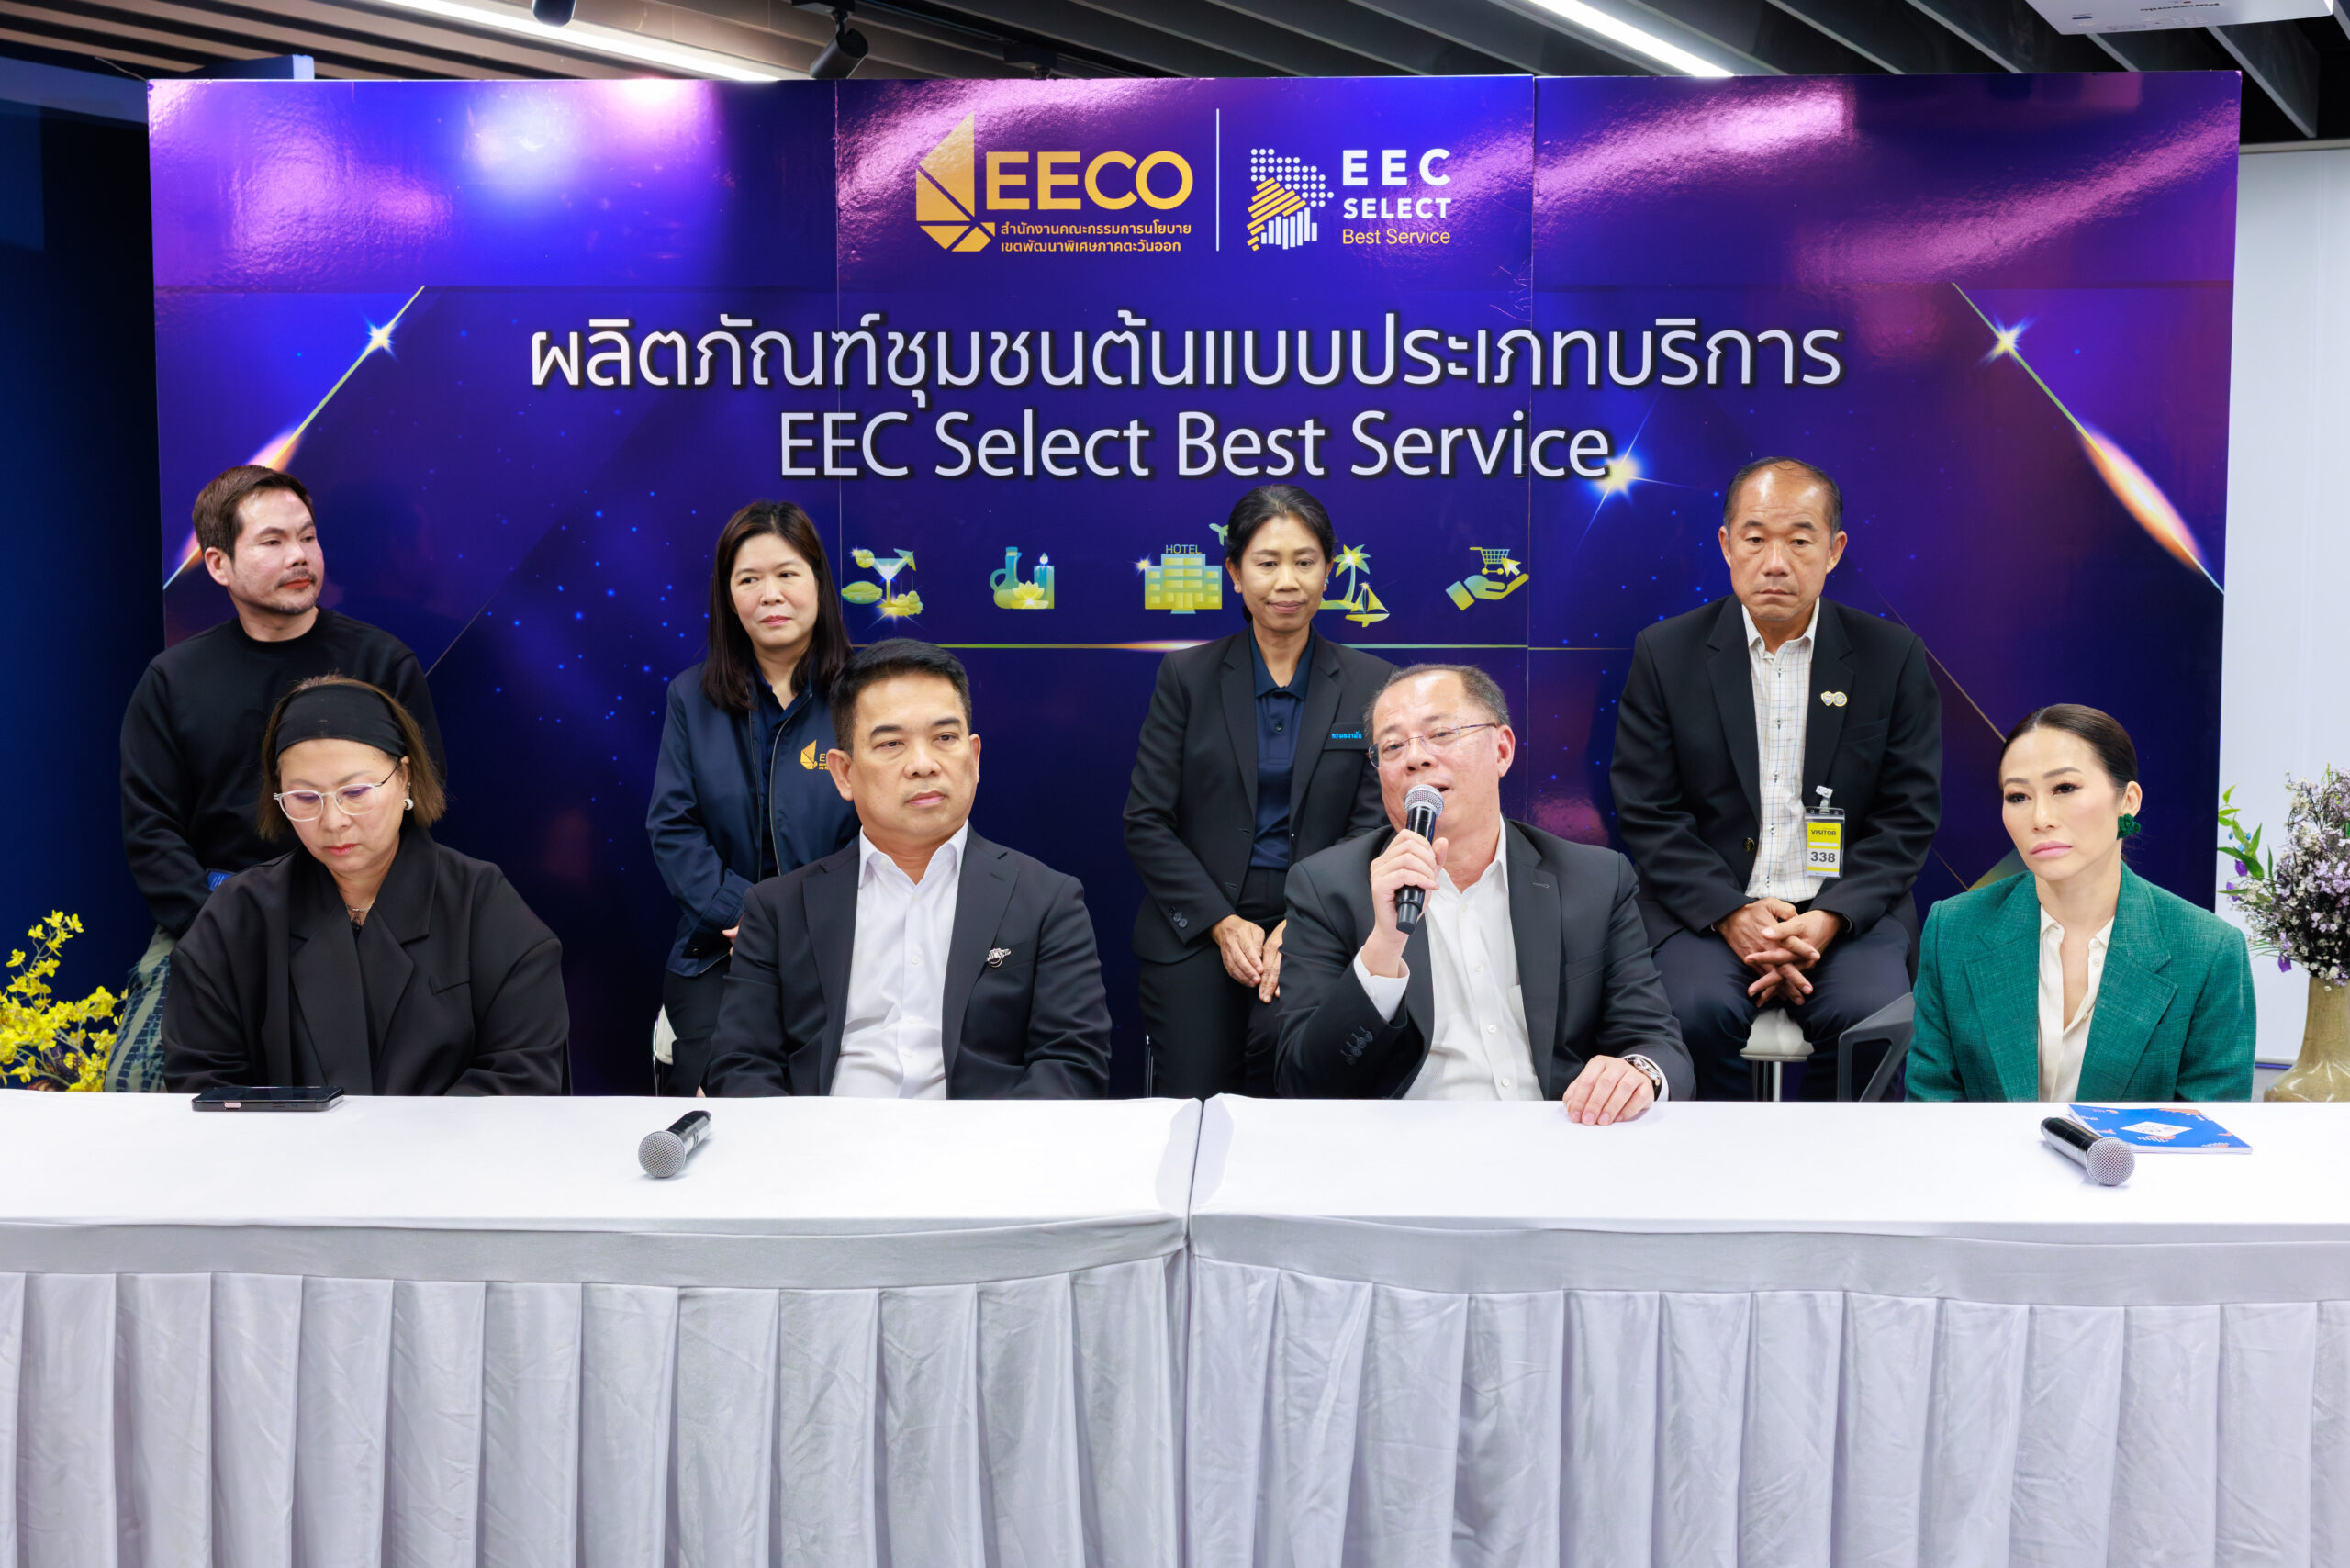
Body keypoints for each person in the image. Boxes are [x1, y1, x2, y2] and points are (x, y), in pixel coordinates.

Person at [1610, 456, 1940, 1100]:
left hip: (1847, 911)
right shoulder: (1666, 653)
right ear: (1726, 545)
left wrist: (1829, 918)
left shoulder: (1891, 656)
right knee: (1691, 1013)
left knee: (1870, 1017)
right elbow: (1648, 812)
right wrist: (1731, 913)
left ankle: (1841, 1167)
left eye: (1800, 540)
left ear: (1834, 550)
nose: (1776, 562)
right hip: (1708, 913)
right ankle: (1716, 1165)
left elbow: (1908, 816)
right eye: (1756, 539)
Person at [116, 465, 445, 1091]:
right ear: (219, 564)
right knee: (136, 1092)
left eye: (308, 537)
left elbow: (419, 809)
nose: (299, 556)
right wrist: (222, 929)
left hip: (360, 910)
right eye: (273, 541)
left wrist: (354, 921)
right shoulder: (172, 680)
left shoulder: (381, 661)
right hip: (213, 913)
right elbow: (152, 833)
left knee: (392, 1094)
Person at [1275, 664, 1693, 1118]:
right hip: (1407, 1142)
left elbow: (1656, 1043)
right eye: (1393, 746)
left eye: (1441, 734)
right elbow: (1303, 1083)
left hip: (1557, 1132)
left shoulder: (1594, 879)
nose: (1415, 758)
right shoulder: (1326, 888)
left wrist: (1636, 1074)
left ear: (1502, 750)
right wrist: (1384, 947)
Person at [706, 640, 1111, 1098]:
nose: (923, 765)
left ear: (974, 758)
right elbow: (740, 1067)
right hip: (824, 1138)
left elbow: (1072, 1065)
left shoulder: (1047, 901)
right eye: (891, 743)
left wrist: (978, 1144)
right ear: (843, 773)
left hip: (983, 1140)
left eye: (944, 738)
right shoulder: (778, 910)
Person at [162, 677, 567, 1096]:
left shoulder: (482, 905)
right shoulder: (237, 915)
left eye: (355, 792)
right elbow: (203, 1081)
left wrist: (404, 1137)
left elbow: (522, 1075)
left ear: (405, 777)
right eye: (305, 798)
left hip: (451, 1141)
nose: (333, 821)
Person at [1124, 485, 1394, 1097]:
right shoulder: (1186, 676)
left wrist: (1307, 921)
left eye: (1305, 562)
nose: (1287, 582)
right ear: (1235, 574)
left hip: (1319, 925)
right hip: (1198, 928)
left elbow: (1373, 825)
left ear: (1329, 571)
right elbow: (1146, 820)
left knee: (1300, 1094)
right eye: (1267, 563)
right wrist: (1223, 924)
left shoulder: (1372, 683)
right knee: (1195, 1102)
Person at [1908, 706, 2254, 1102]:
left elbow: (2207, 1125)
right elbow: (1931, 1108)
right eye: (2018, 796)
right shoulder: (1953, 928)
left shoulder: (2209, 949)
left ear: (2128, 800)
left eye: (2064, 788)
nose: (2040, 818)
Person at [645, 501, 859, 1093]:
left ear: (818, 581)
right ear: (728, 596)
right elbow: (673, 827)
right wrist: (749, 916)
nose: (770, 595)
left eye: (787, 574)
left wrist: (806, 920)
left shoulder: (867, 691)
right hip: (720, 949)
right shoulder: (691, 696)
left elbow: (888, 827)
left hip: (846, 941)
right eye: (749, 580)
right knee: (723, 1089)